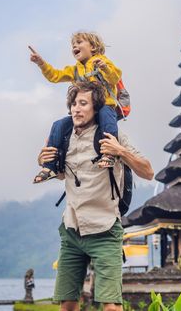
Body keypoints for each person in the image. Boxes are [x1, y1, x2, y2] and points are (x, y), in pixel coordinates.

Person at [37, 81, 153, 311]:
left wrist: (120, 151)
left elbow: (148, 171)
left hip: (105, 230)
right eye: (73, 104)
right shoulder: (64, 136)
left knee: (110, 307)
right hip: (71, 229)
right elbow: (62, 174)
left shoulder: (113, 135)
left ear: (96, 108)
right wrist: (43, 162)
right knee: (67, 305)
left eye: (83, 103)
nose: (76, 109)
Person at [30, 32, 122, 184]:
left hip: (104, 105)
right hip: (85, 113)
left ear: (92, 47)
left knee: (107, 117)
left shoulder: (102, 61)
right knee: (58, 124)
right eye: (73, 44)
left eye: (79, 42)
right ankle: (50, 166)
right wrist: (41, 63)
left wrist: (105, 68)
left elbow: (115, 78)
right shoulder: (74, 70)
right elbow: (55, 75)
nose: (75, 46)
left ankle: (109, 153)